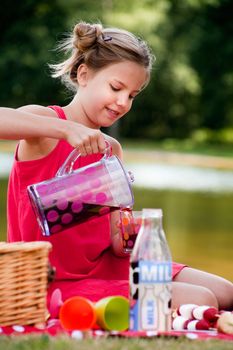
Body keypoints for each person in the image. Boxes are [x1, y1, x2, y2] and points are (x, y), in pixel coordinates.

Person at [0, 22, 232, 314]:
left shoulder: (112, 149)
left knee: (225, 292)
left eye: (132, 95)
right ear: (84, 75)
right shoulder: (45, 127)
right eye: (116, 88)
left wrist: (132, 232)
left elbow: (117, 243)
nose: (123, 102)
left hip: (108, 267)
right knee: (202, 300)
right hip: (53, 280)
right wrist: (66, 130)